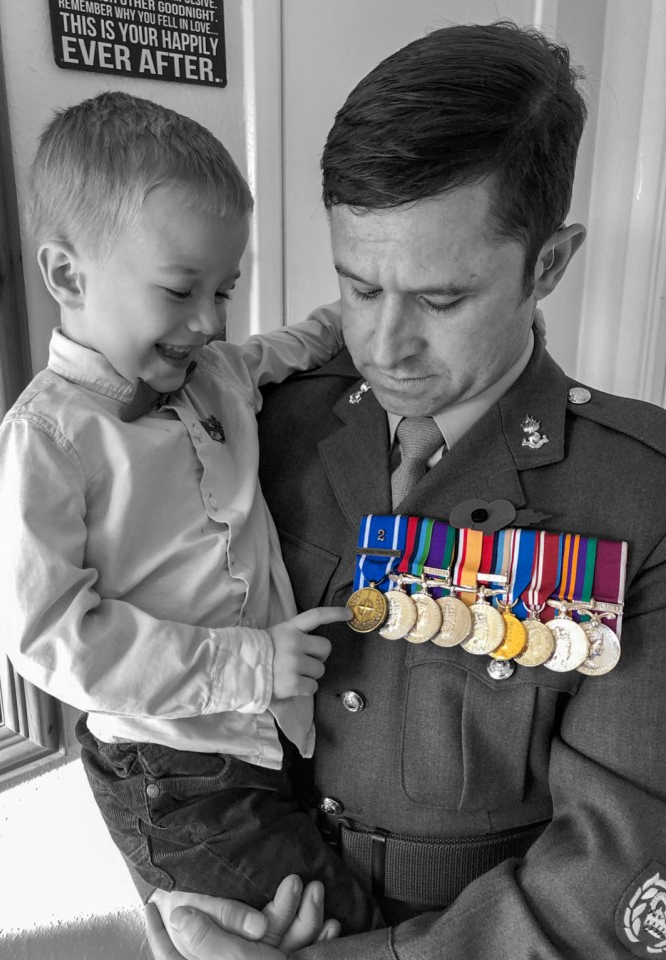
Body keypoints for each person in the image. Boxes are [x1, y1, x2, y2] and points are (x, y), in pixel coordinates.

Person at [145, 20, 666, 960]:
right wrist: (192, 898)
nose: (385, 347)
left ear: (548, 263)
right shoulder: (266, 427)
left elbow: (622, 873)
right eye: (356, 287)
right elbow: (168, 682)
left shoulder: (641, 497)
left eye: (440, 300)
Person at [0, 91, 379, 934]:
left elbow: (290, 347)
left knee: (328, 892)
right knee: (345, 924)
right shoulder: (43, 443)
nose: (209, 320)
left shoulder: (217, 373)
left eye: (225, 290)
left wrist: (374, 305)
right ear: (66, 276)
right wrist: (247, 664)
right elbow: (51, 636)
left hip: (264, 738)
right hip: (172, 770)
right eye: (180, 289)